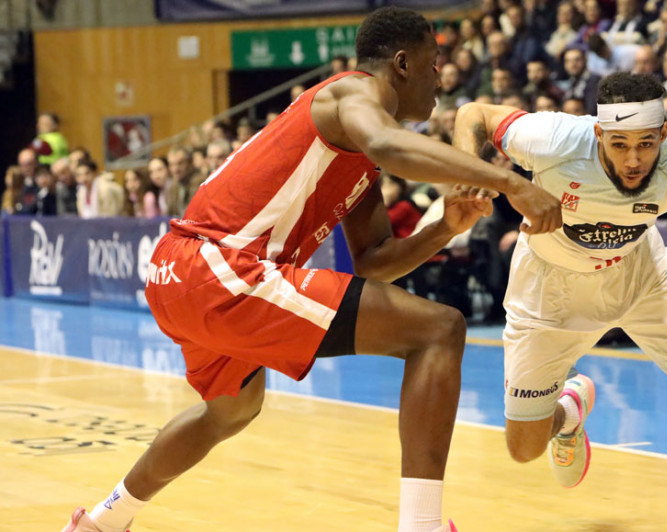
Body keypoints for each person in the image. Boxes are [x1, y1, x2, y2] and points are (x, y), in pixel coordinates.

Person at [61, 7, 561, 532]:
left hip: (183, 274)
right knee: (439, 331)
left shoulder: (358, 155)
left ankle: (101, 522)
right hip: (220, 266)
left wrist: (442, 230)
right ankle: (421, 526)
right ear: (402, 62)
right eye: (434, 62)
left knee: (231, 411)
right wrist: (512, 183)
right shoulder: (351, 93)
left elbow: (372, 263)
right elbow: (391, 145)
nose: (441, 76)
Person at [453, 72, 667, 532]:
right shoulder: (554, 138)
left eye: (646, 144)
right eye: (620, 144)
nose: (634, 160)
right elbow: (472, 113)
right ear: (598, 133)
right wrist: (465, 176)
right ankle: (569, 412)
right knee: (523, 449)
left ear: (664, 134)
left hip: (641, 271)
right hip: (549, 290)